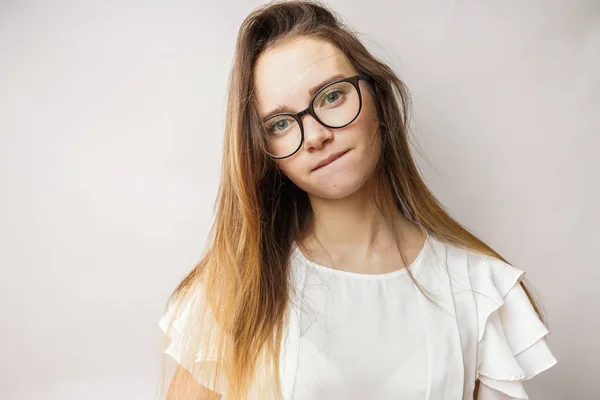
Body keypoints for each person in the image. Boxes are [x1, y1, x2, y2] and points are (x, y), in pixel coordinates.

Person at [158, 1, 557, 399]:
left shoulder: (479, 290)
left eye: (331, 97)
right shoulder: (234, 291)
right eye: (281, 124)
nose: (314, 135)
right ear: (264, 152)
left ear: (378, 97)